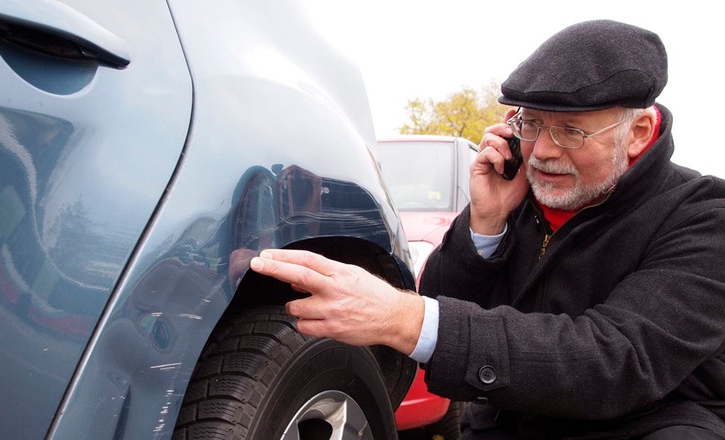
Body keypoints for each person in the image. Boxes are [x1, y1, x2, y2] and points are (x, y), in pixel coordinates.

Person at [249, 20, 725, 439]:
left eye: (571, 132)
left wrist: (404, 317)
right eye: (532, 124)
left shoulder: (703, 217)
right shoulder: (516, 193)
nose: (542, 152)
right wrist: (485, 222)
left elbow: (615, 360)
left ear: (639, 132)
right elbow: (441, 301)